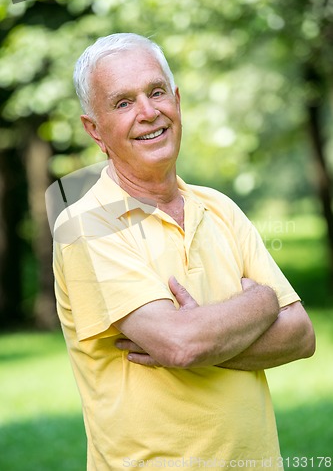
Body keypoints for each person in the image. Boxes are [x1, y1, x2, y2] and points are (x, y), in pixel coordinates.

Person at [52, 33, 315, 470]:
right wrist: (261, 303)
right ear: (94, 130)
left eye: (156, 92)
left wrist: (207, 334)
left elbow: (301, 336)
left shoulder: (220, 208)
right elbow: (179, 343)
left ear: (176, 100)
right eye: (123, 103)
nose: (148, 112)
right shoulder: (85, 225)